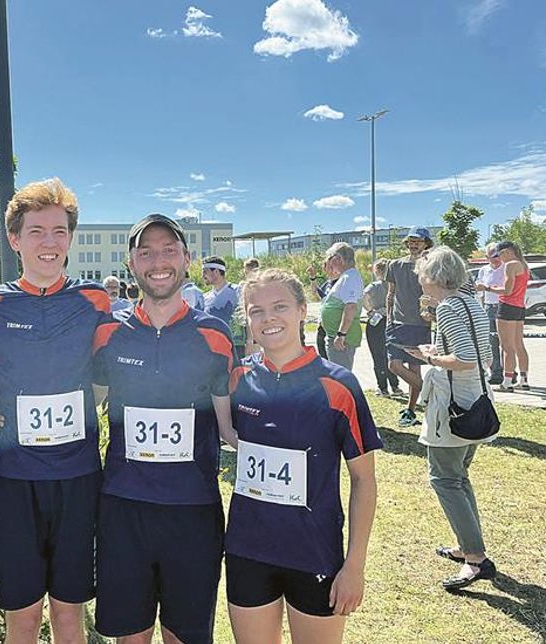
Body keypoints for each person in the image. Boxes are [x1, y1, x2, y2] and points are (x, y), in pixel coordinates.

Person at [0, 178, 111, 643]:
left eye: (59, 231)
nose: (49, 243)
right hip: (15, 479)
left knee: (69, 613)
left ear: (71, 238)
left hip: (77, 476)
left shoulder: (95, 300)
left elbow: (110, 370)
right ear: (15, 239)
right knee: (23, 615)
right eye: (36, 232)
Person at [92, 214, 236, 644]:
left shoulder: (214, 334)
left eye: (169, 251)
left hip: (192, 511)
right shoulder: (109, 334)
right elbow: (85, 407)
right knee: (130, 636)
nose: (158, 262)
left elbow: (230, 430)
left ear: (187, 259)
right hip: (124, 509)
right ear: (131, 263)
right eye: (146, 253)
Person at [226, 268, 381, 644]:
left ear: (301, 311)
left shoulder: (338, 385)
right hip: (248, 549)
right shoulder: (238, 378)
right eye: (257, 311)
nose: (268, 318)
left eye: (279, 306)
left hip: (314, 551)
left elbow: (363, 480)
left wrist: (354, 566)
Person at [404, 247, 497, 591]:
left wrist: (430, 358)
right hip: (477, 400)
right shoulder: (472, 303)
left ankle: (475, 558)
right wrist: (439, 353)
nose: (420, 282)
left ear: (434, 276)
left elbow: (466, 358)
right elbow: (484, 356)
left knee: (444, 479)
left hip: (454, 406)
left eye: (422, 275)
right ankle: (468, 546)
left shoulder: (446, 307)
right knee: (458, 477)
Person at [386, 226, 434, 427]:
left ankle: (411, 410)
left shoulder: (430, 265)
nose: (414, 244)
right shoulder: (395, 265)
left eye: (418, 241)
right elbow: (391, 293)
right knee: (394, 365)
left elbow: (432, 293)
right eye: (411, 241)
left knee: (415, 367)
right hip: (397, 323)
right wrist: (388, 318)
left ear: (426, 244)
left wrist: (432, 314)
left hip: (419, 324)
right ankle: (434, 395)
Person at [476, 240, 529, 391]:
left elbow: (507, 290)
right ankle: (524, 380)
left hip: (507, 306)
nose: (500, 258)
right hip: (520, 307)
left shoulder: (510, 265)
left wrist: (486, 288)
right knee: (519, 345)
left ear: (507, 252)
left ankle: (507, 382)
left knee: (507, 347)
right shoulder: (523, 264)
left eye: (500, 255)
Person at [316, 243, 363, 371]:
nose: (329, 262)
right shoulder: (346, 277)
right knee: (337, 373)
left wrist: (341, 334)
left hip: (342, 339)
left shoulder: (350, 277)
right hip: (337, 337)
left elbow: (351, 307)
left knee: (341, 375)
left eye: (331, 258)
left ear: (338, 259)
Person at [363, 260, 401, 396]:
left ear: (377, 271)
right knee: (390, 353)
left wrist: (370, 311)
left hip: (377, 320)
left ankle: (382, 387)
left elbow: (363, 297)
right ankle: (395, 385)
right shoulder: (395, 285)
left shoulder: (375, 286)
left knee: (377, 355)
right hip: (391, 320)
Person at [203, 255, 245, 359]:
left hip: (237, 346)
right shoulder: (205, 297)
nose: (203, 276)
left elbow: (247, 317)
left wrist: (250, 342)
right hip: (213, 348)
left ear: (216, 272)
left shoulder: (237, 291)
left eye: (205, 272)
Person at [474, 244, 505, 384]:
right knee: (491, 342)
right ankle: (496, 373)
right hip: (488, 307)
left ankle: (510, 372)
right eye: (493, 256)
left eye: (498, 255)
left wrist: (488, 288)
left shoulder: (506, 268)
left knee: (506, 343)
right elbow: (479, 291)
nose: (497, 259)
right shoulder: (484, 270)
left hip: (503, 306)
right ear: (487, 258)